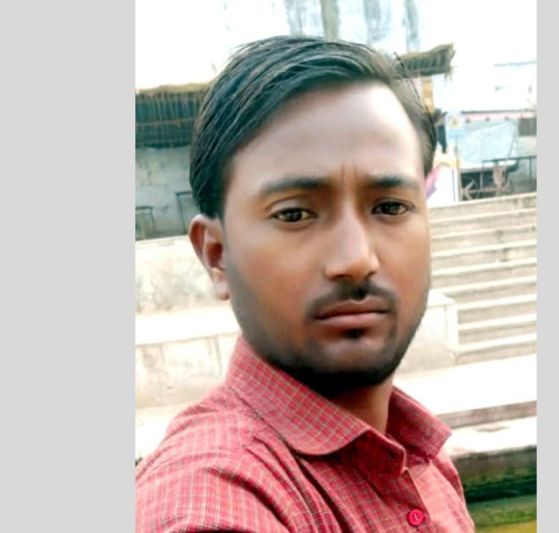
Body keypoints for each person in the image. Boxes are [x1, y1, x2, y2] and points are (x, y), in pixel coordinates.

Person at [136, 35, 475, 532]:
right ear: (217, 255)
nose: (356, 260)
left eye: (390, 207)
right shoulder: (212, 496)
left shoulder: (422, 457)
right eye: (294, 214)